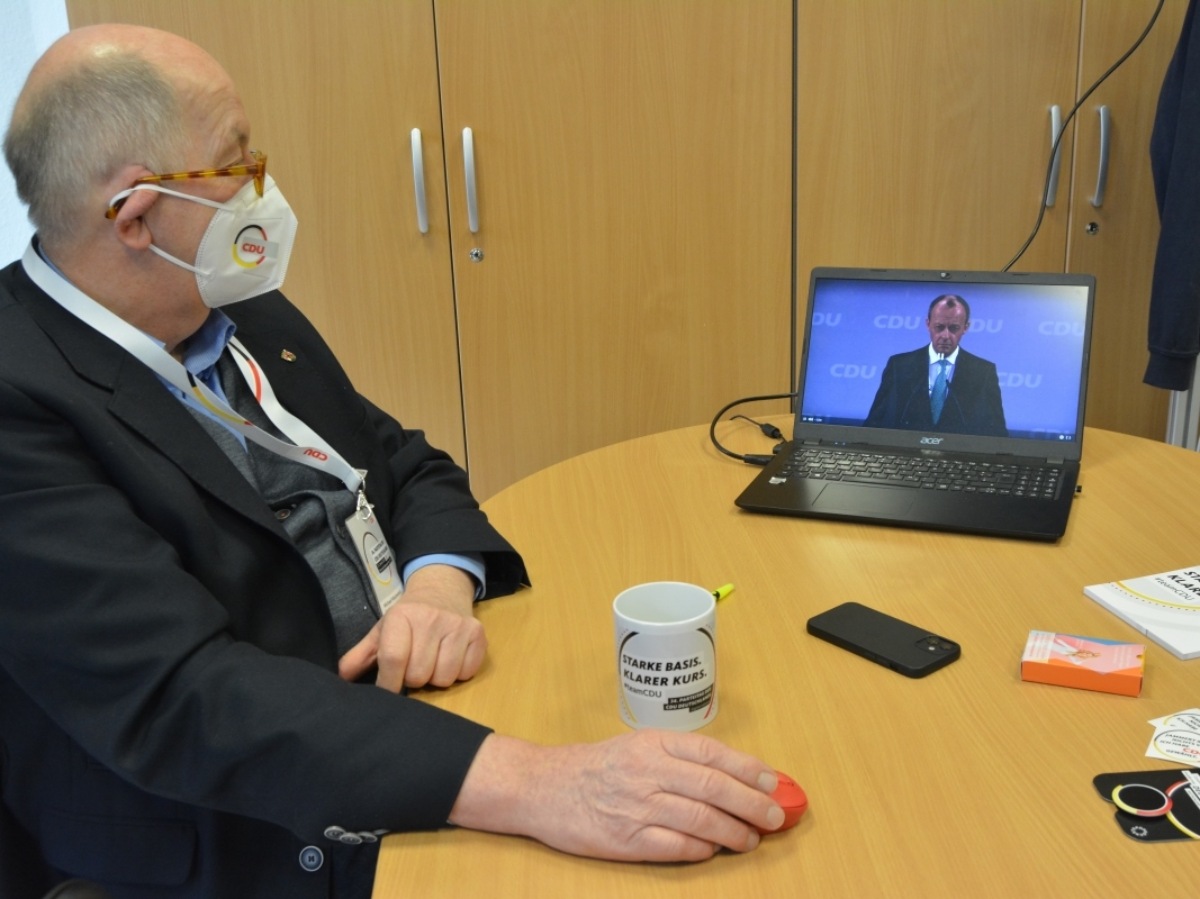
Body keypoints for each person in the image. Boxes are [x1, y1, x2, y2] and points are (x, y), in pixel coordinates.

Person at [0, 24, 787, 899]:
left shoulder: (231, 306)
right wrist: (536, 782)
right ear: (136, 216)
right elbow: (188, 697)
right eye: (236, 161)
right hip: (257, 830)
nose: (264, 185)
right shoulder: (17, 398)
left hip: (423, 718)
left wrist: (439, 587)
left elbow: (405, 464)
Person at [863, 294, 1007, 436]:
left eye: (954, 328)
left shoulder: (983, 372)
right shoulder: (899, 366)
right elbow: (874, 423)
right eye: (939, 327)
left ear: (965, 327)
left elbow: (997, 433)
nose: (945, 335)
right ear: (928, 324)